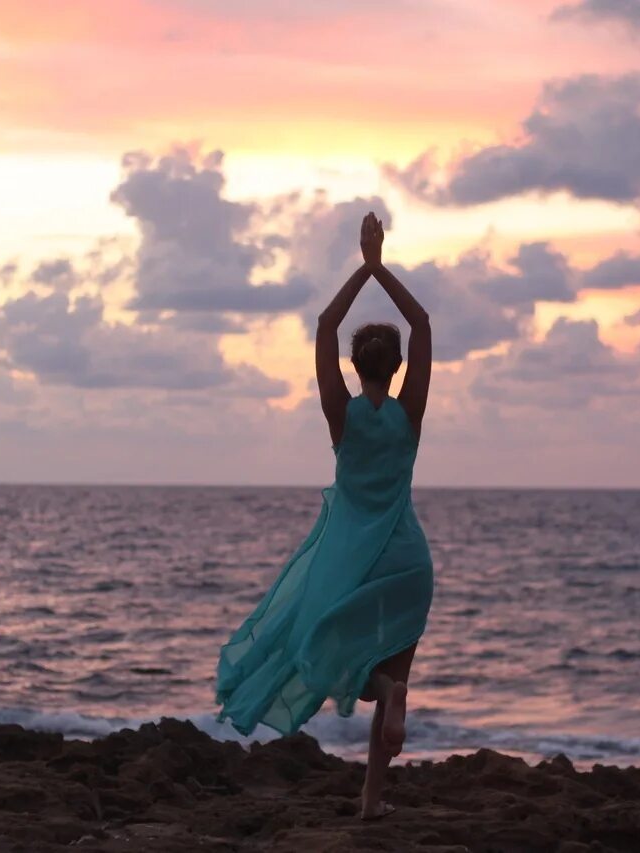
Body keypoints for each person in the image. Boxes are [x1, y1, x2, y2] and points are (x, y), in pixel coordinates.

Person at [215, 211, 434, 821]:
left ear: (357, 363)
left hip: (349, 557)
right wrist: (381, 267)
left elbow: (325, 323)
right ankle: (371, 801)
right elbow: (421, 321)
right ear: (394, 368)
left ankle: (386, 698)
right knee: (390, 663)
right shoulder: (408, 414)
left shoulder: (342, 415)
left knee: (335, 660)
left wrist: (360, 266)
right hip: (406, 558)